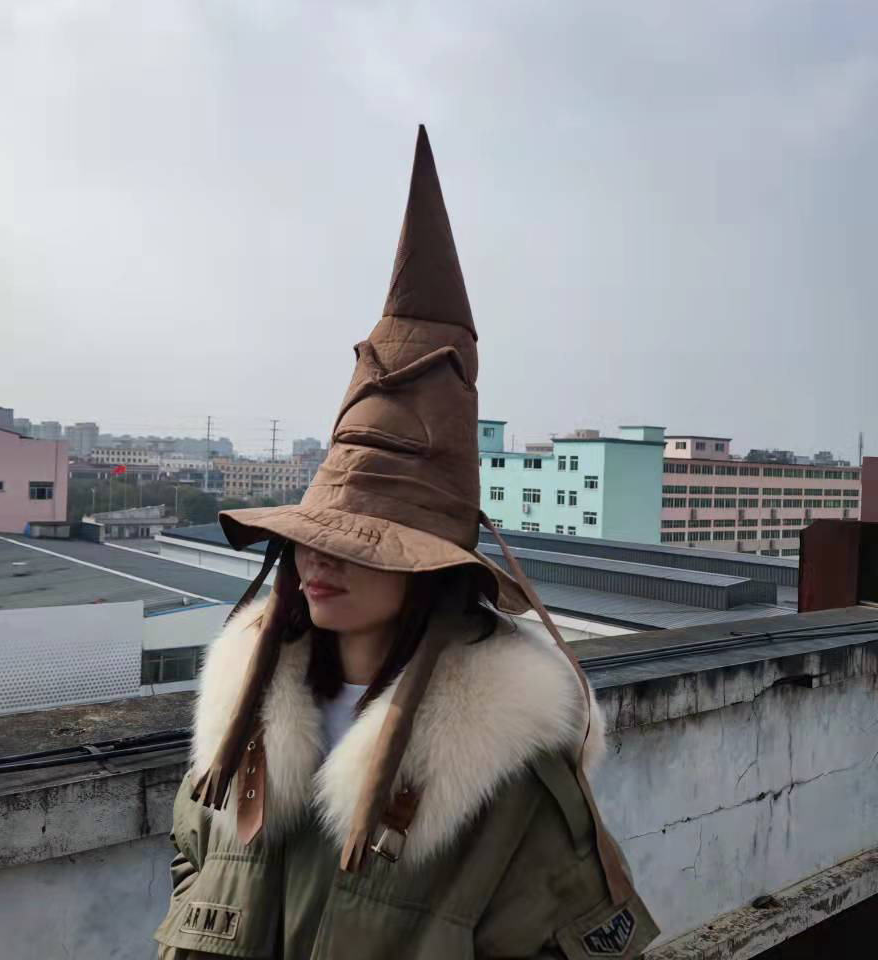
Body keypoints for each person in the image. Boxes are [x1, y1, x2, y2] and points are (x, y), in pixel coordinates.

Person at [154, 127, 658, 959]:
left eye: (366, 543)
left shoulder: (505, 779)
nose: (320, 559)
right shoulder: (244, 724)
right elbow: (191, 856)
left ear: (431, 568)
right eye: (313, 538)